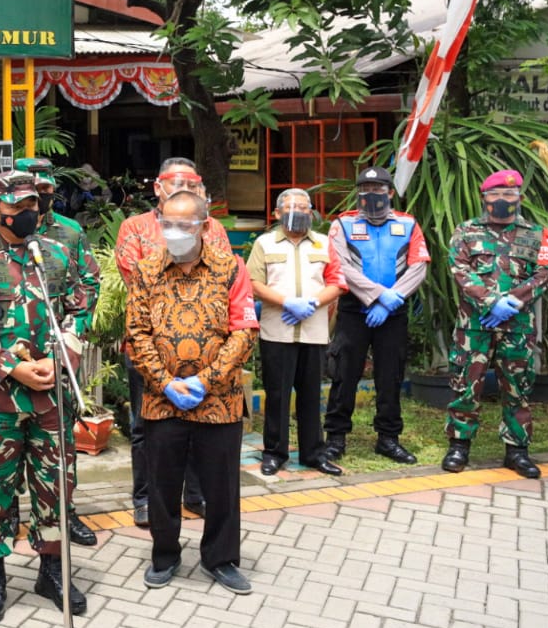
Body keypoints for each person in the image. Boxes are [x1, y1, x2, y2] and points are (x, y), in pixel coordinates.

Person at [0, 172, 93, 622]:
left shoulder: (53, 253)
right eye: (16, 209)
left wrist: (65, 349)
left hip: (52, 394)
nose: (27, 215)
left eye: (32, 205)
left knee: (55, 485)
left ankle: (52, 569)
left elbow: (81, 304)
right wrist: (13, 367)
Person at [126, 190, 258, 595]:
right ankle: (165, 556)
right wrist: (165, 382)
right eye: (168, 223)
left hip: (218, 398)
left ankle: (220, 558)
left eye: (184, 224)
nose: (175, 231)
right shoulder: (146, 271)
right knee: (162, 483)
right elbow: (137, 332)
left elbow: (244, 329)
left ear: (203, 224)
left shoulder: (230, 269)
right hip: (162, 399)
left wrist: (207, 380)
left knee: (220, 486)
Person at [114, 157, 229, 527]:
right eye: (174, 182)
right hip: (150, 351)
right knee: (144, 428)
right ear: (157, 188)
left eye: (190, 184)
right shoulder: (135, 228)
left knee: (201, 426)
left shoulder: (215, 229)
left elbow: (224, 279)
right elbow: (138, 278)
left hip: (206, 351)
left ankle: (195, 496)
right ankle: (145, 499)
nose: (182, 189)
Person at [443, 169, 548, 478]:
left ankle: (517, 451)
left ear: (519, 197)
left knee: (517, 389)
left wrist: (514, 301)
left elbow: (545, 272)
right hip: (474, 326)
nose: (503, 199)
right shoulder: (466, 231)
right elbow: (459, 269)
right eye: (496, 194)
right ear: (485, 198)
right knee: (466, 386)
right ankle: (459, 446)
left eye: (509, 194)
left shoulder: (537, 233)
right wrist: (492, 301)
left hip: (518, 326)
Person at [14, 156, 101, 547]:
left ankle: (64, 511)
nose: (42, 201)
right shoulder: (2, 232)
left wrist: (69, 342)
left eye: (48, 193)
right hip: (14, 359)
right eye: (35, 194)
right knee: (12, 446)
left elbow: (90, 286)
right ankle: (14, 516)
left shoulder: (70, 233)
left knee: (60, 443)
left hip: (60, 354)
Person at [324, 166, 431, 464]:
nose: (372, 195)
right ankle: (335, 437)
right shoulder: (342, 225)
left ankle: (388, 438)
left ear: (390, 193)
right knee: (344, 374)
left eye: (378, 190)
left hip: (393, 314)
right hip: (354, 311)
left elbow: (419, 264)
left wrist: (391, 300)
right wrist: (376, 296)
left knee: (390, 376)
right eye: (366, 190)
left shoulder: (408, 224)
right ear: (358, 193)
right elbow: (340, 266)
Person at [247, 188, 346, 477]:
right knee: (277, 395)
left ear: (312, 212)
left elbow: (337, 281)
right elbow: (253, 282)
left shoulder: (324, 243)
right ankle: (274, 453)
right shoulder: (265, 244)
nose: (298, 213)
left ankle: (314, 453)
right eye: (291, 208)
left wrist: (313, 303)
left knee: (311, 394)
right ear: (277, 214)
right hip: (277, 331)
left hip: (314, 331)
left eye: (304, 208)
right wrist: (286, 302)